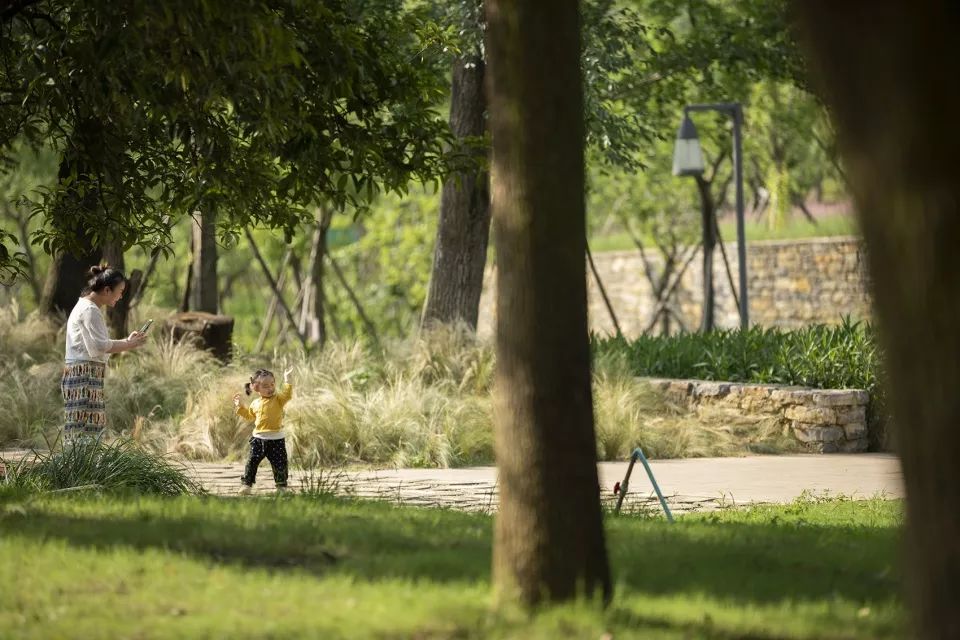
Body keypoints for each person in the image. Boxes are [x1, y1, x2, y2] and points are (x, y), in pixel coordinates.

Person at [62, 264, 148, 444]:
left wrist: (127, 341)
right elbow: (99, 347)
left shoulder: (87, 307)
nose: (121, 296)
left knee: (83, 427)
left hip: (83, 371)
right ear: (107, 290)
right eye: (120, 291)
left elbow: (97, 345)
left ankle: (82, 462)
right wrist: (129, 344)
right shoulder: (90, 310)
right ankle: (79, 462)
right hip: (83, 373)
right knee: (84, 429)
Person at [233, 367, 294, 495]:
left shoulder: (278, 399)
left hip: (276, 440)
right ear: (256, 388)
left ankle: (281, 487)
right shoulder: (255, 403)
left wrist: (287, 379)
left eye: (272, 384)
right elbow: (249, 415)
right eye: (265, 386)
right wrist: (239, 406)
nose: (270, 388)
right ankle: (246, 485)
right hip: (258, 439)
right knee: (252, 462)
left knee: (280, 464)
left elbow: (287, 394)